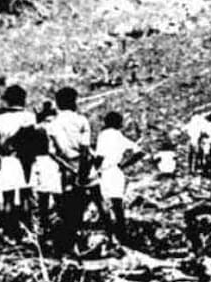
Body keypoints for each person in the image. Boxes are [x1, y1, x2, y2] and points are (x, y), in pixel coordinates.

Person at [47, 87, 93, 254]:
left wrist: (65, 166)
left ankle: (64, 245)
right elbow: (85, 149)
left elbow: (52, 152)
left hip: (62, 169)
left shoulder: (52, 124)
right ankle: (77, 244)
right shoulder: (81, 121)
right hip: (80, 167)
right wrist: (81, 172)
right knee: (79, 206)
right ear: (74, 101)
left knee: (63, 206)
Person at [0, 85, 36, 215]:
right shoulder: (29, 117)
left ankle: (10, 228)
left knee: (8, 196)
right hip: (26, 159)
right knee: (26, 195)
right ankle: (27, 228)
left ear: (7, 101)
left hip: (7, 159)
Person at [94, 112, 143, 242]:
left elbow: (100, 156)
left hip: (105, 171)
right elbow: (139, 152)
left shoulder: (103, 135)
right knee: (117, 205)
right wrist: (124, 165)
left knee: (103, 204)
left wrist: (94, 169)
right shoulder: (120, 136)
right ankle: (122, 235)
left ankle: (110, 234)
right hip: (117, 171)